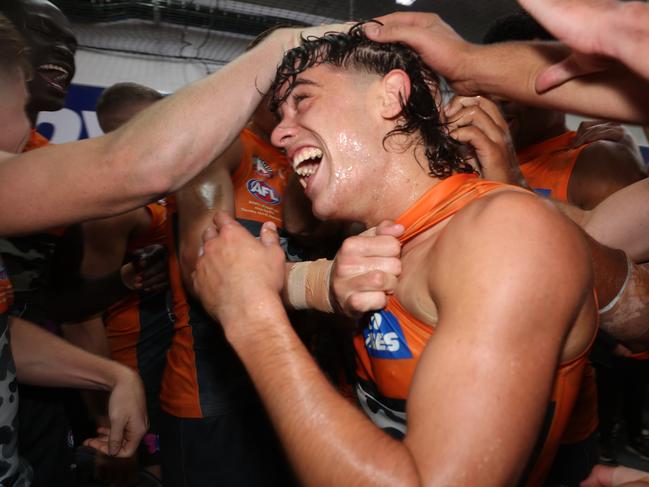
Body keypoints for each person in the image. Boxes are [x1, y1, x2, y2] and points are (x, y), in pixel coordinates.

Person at [192, 25, 599, 486]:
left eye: (302, 100)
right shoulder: (381, 239)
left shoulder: (504, 233)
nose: (282, 133)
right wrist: (285, 286)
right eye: (279, 114)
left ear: (392, 97)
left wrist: (253, 319)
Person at [0, 11, 347, 486]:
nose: (26, 128)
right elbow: (156, 199)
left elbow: (5, 335)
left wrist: (111, 378)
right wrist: (282, 46)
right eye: (16, 101)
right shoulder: (218, 151)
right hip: (205, 387)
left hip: (262, 376)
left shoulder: (281, 156)